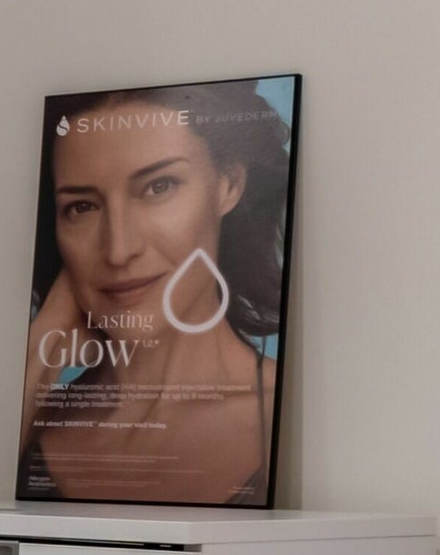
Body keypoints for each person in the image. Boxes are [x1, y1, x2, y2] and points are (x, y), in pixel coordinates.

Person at [18, 80, 290, 506]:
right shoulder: (30, 420)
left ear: (230, 185)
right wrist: (44, 342)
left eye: (159, 186)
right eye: (82, 207)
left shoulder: (284, 414)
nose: (119, 249)